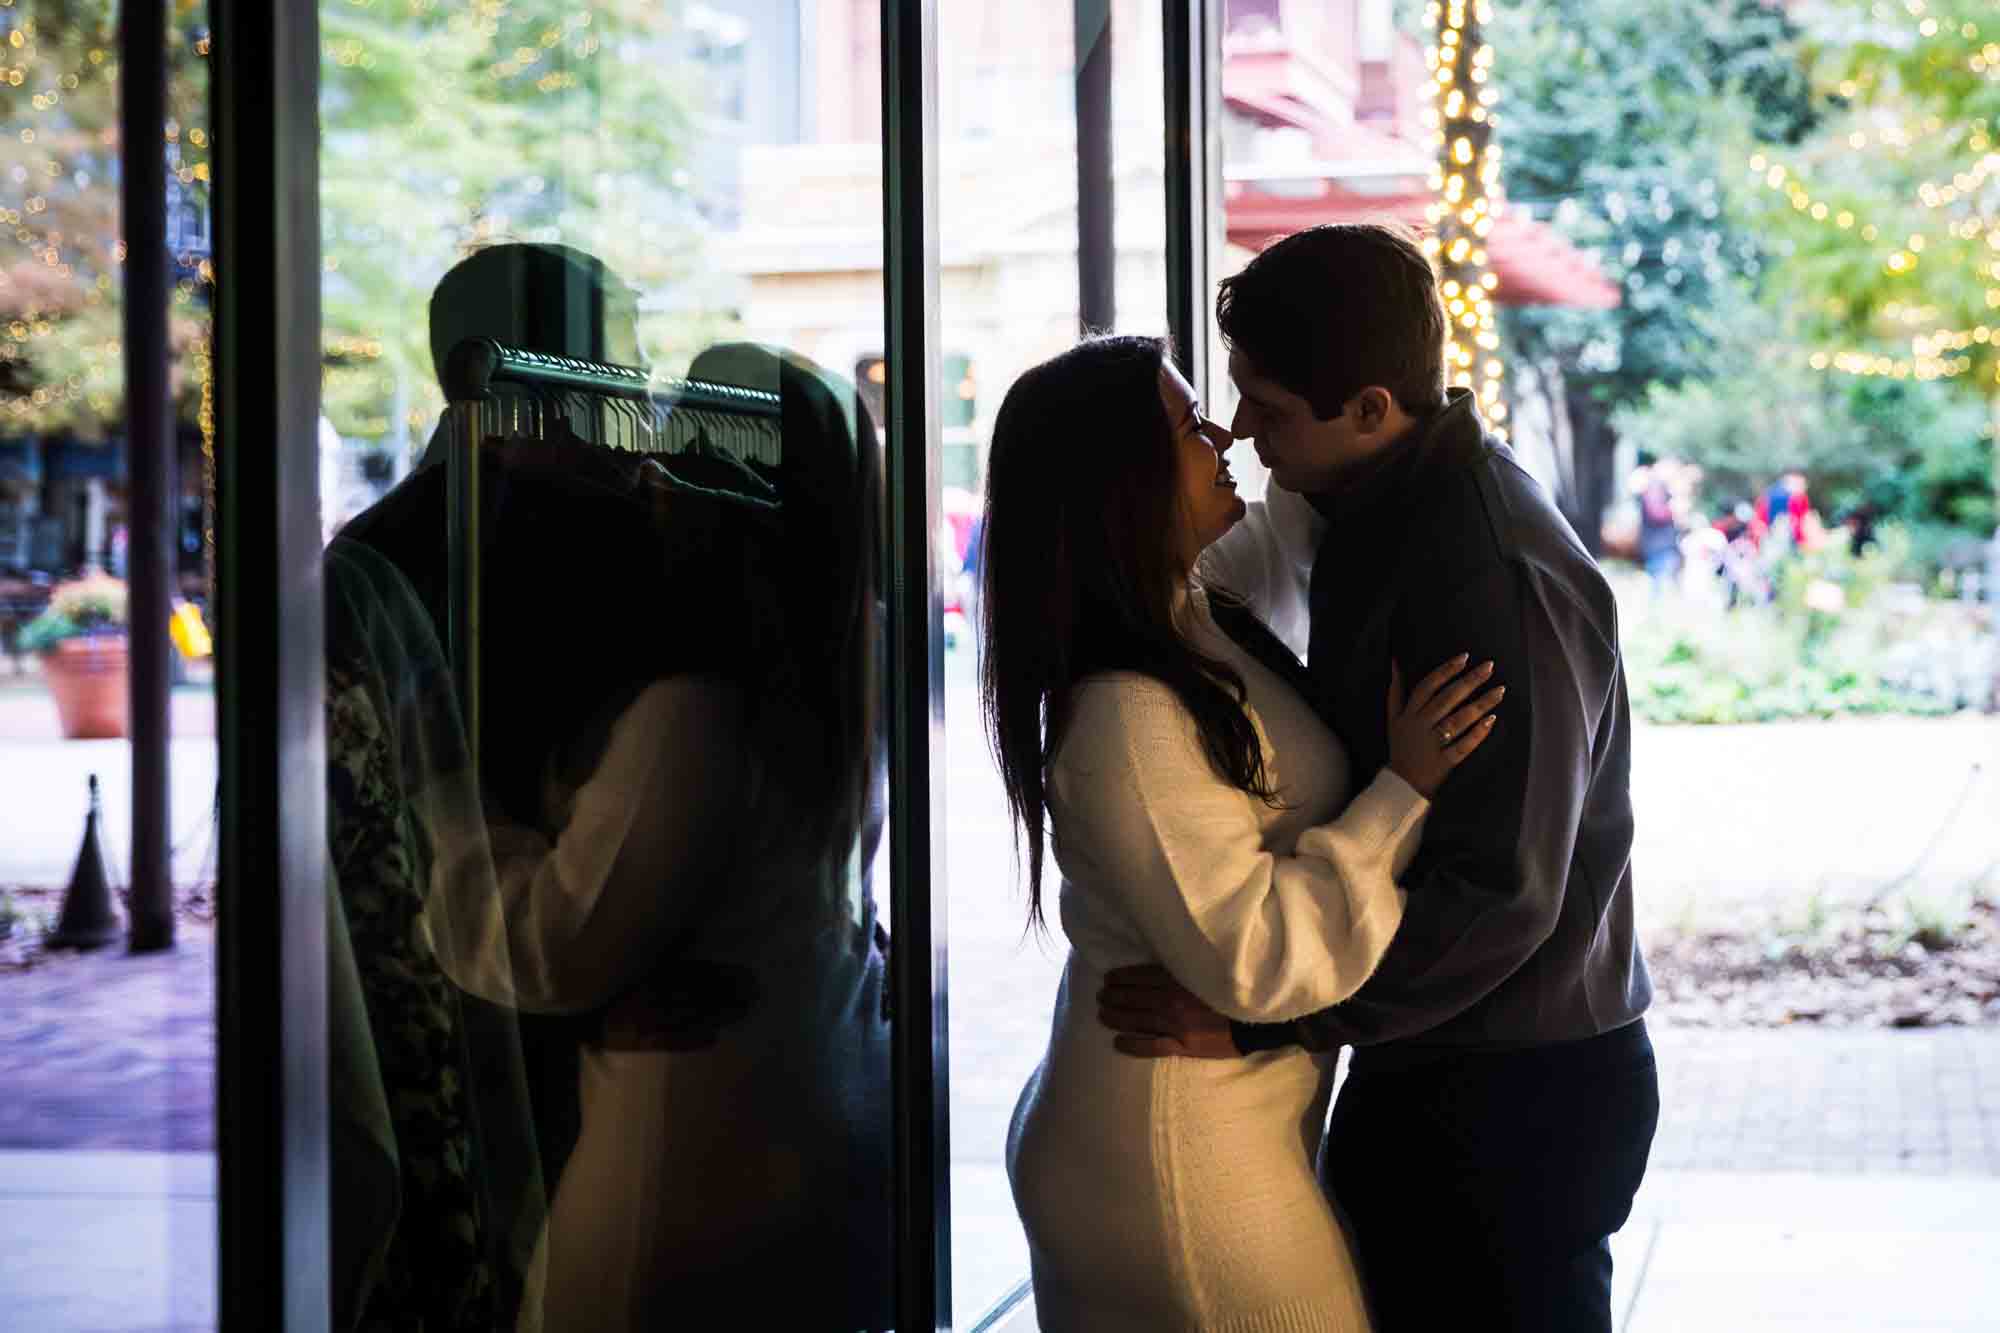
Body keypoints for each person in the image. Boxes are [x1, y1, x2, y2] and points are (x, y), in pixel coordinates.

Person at [1097, 223, 1658, 1333]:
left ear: (1368, 409)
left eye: (1269, 403)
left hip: (1509, 1096)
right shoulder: (1370, 499)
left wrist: (1265, 1023)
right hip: (1454, 1072)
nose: (1243, 429)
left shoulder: (1480, 569)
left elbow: (1500, 893)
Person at [981, 334, 1503, 1332]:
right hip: (1175, 1155)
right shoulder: (1128, 715)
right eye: (1189, 424)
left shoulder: (1196, 610)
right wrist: (1401, 789)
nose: (1226, 431)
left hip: (1200, 1119)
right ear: (1122, 482)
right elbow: (1253, 963)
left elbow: (1318, 473)